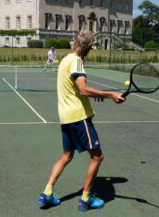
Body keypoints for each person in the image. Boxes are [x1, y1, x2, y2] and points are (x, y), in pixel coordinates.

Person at [38, 31, 125, 211]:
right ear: (87, 47)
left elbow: (76, 90)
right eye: (91, 47)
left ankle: (47, 193)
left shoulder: (65, 60)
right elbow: (83, 89)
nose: (91, 51)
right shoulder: (77, 61)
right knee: (97, 156)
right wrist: (110, 94)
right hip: (78, 117)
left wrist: (96, 95)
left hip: (65, 117)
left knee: (66, 156)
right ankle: (85, 199)